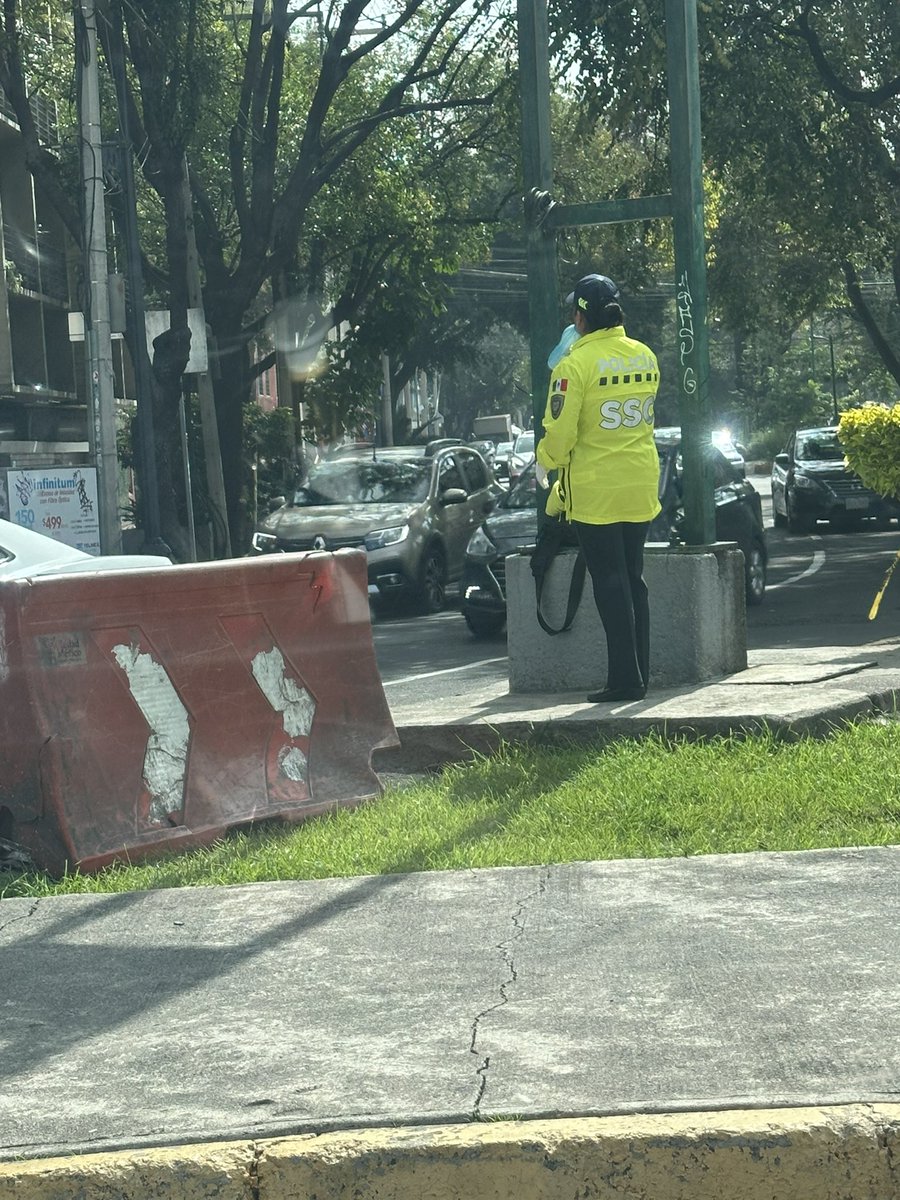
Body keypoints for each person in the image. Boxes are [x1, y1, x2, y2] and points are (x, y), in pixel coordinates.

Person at [535, 274, 661, 704]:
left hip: (596, 490)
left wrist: (544, 461)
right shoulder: (644, 356)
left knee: (608, 579)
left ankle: (625, 681)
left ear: (580, 317)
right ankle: (641, 673)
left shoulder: (574, 366)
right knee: (633, 577)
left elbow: (560, 433)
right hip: (641, 481)